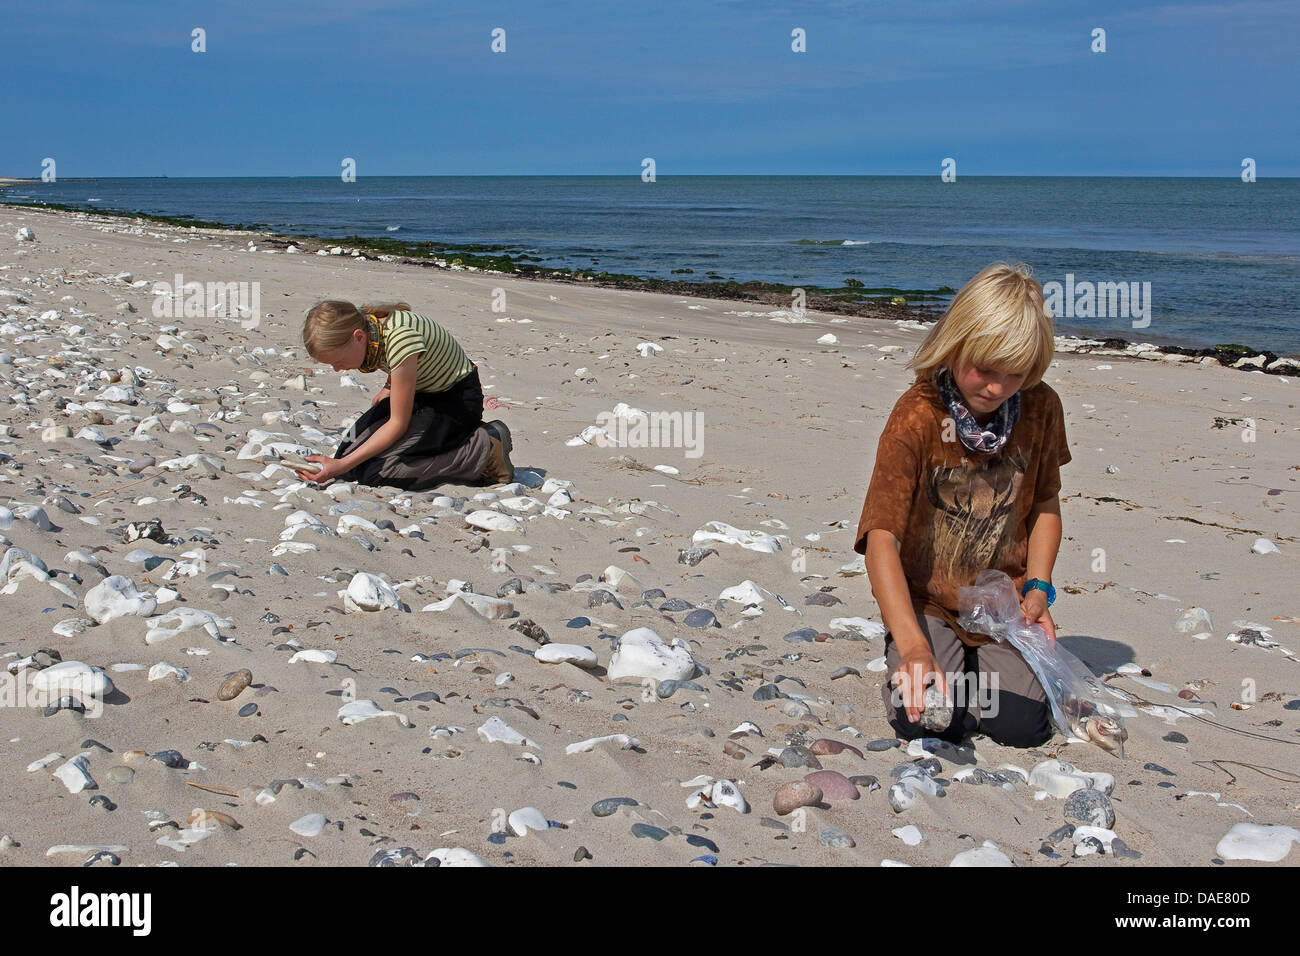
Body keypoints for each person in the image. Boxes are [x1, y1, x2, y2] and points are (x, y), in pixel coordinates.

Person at [853, 262, 1071, 748]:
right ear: (954, 345)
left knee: (1022, 728)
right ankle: (927, 650)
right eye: (985, 369)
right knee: (928, 720)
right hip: (929, 600)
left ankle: (977, 664)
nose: (997, 388)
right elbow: (880, 537)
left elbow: (1045, 503)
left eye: (1015, 374)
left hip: (1001, 602)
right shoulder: (917, 415)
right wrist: (912, 646)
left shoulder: (1041, 407)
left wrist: (1038, 588)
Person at [299, 300, 514, 490]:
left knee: (376, 473)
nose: (337, 369)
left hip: (456, 402)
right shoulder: (370, 325)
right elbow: (411, 363)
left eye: (337, 361)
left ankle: (484, 448)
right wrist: (389, 386)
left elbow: (397, 424)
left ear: (358, 337)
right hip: (424, 392)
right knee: (348, 456)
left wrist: (340, 467)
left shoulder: (399, 340)